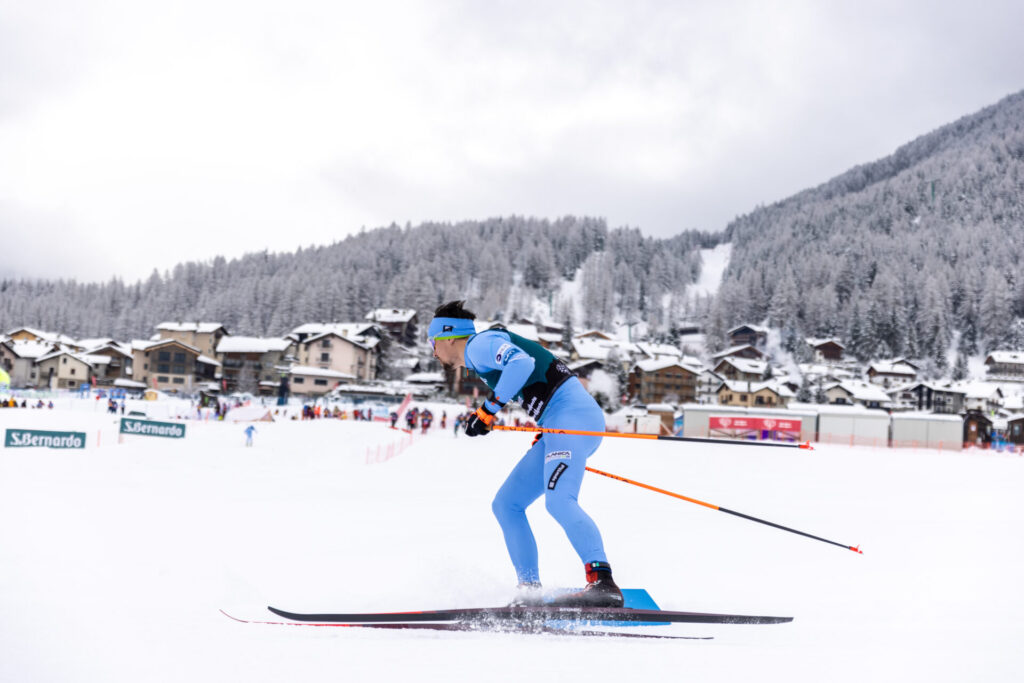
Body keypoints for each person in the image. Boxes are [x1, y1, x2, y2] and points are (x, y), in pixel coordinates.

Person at [429, 300, 622, 608]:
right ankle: (529, 590)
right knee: (507, 504)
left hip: (572, 419)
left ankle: (603, 582)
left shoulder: (479, 344)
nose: (433, 352)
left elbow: (521, 363)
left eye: (432, 343)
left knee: (559, 501)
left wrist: (489, 409)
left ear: (447, 336)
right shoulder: (482, 352)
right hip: (558, 424)